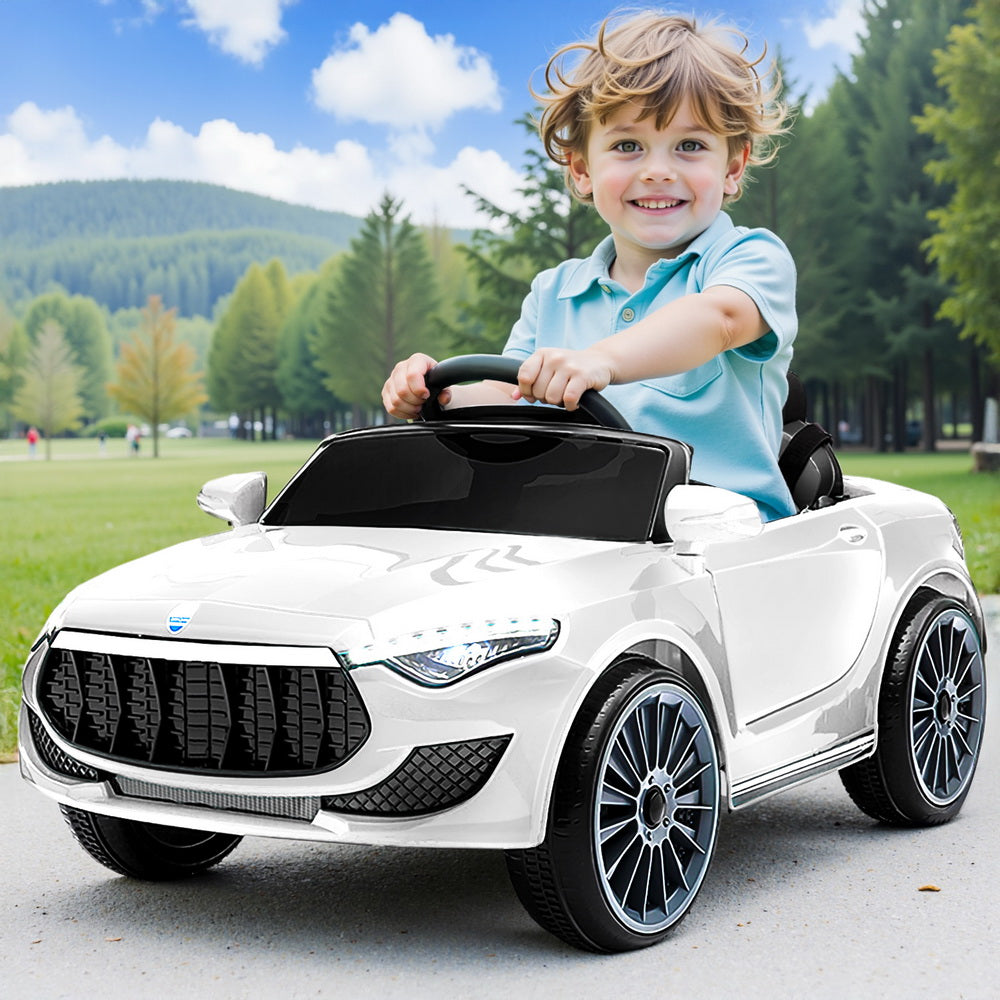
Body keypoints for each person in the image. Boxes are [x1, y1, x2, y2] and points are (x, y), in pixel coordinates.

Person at [383, 11, 796, 521]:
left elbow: (719, 320)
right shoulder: (554, 290)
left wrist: (601, 360)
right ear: (582, 170)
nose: (658, 171)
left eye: (690, 146)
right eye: (627, 146)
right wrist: (438, 393)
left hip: (723, 531)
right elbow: (510, 391)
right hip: (588, 522)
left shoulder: (748, 257)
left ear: (732, 167)